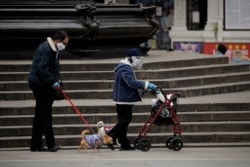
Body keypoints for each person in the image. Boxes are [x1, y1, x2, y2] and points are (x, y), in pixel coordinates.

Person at [107, 48, 157, 151]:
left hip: (122, 98)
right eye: (138, 58)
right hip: (123, 98)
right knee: (126, 120)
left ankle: (124, 143)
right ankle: (110, 136)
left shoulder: (125, 66)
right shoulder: (125, 68)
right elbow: (132, 82)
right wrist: (147, 84)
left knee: (123, 120)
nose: (139, 60)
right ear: (132, 58)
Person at [28, 30, 70, 152]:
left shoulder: (53, 49)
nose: (65, 46)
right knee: (45, 114)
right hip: (40, 84)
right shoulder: (45, 49)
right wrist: (53, 82)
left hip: (43, 84)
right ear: (58, 40)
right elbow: (43, 69)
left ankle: (35, 144)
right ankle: (51, 144)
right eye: (64, 43)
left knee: (40, 115)